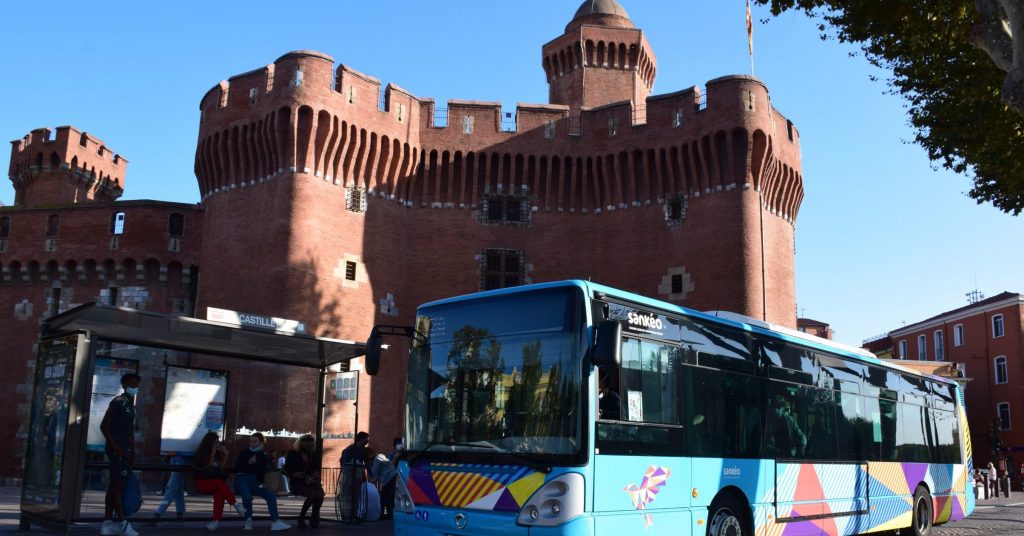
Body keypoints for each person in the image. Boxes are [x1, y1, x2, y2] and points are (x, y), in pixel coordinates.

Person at [99, 373, 141, 536]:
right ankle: (123, 523)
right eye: (131, 384)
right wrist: (115, 446)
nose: (135, 388)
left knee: (115, 486)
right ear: (124, 385)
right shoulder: (118, 402)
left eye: (137, 385)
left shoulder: (132, 406)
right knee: (117, 486)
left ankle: (107, 522)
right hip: (117, 451)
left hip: (126, 451)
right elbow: (104, 426)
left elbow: (130, 432)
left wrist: (133, 452)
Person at [234, 433, 292, 531]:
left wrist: (261, 481)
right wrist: (249, 463)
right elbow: (238, 468)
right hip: (242, 478)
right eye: (251, 441)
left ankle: (275, 521)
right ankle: (248, 520)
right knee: (247, 497)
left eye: (254, 441)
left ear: (260, 443)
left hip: (255, 481)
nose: (252, 443)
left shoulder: (262, 455)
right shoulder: (245, 452)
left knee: (270, 495)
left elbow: (260, 472)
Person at [193, 432, 246, 532]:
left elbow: (221, 470)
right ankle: (236, 504)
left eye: (218, 443)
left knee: (219, 492)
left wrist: (226, 456)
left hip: (216, 483)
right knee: (218, 484)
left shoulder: (218, 455)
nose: (217, 445)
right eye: (215, 443)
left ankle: (215, 522)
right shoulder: (201, 454)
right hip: (202, 482)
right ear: (209, 443)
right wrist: (211, 455)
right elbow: (204, 469)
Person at [285, 434, 325, 529]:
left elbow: (315, 469)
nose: (309, 446)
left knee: (320, 495)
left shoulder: (313, 454)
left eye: (311, 444)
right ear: (301, 443)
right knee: (313, 494)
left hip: (309, 482)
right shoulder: (293, 453)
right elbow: (287, 468)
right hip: (296, 483)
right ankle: (301, 518)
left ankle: (314, 518)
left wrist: (315, 473)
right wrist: (294, 474)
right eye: (307, 443)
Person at [149, 455, 188, 526]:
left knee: (171, 488)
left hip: (180, 456)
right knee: (178, 489)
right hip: (177, 455)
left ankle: (156, 516)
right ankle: (179, 518)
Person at [368, 446, 398, 520]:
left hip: (389, 479)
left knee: (384, 497)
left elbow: (375, 472)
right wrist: (370, 483)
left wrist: (369, 467)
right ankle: (389, 514)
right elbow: (377, 475)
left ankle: (384, 515)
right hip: (391, 478)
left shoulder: (378, 458)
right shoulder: (380, 457)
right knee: (388, 497)